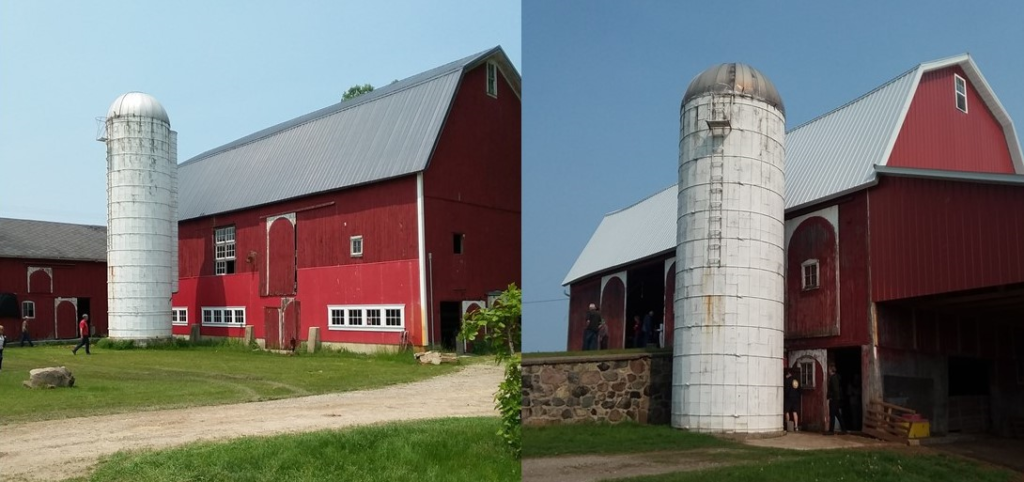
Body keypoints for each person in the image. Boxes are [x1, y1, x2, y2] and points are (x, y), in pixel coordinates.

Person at [826, 363, 844, 434]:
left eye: (829, 369)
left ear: (831, 370)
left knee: (832, 414)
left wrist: (832, 397)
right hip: (836, 399)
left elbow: (835, 390)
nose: (828, 370)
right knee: (837, 415)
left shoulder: (833, 378)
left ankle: (831, 430)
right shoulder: (835, 378)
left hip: (834, 400)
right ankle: (844, 429)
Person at [784, 367, 801, 432]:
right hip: (796, 398)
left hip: (788, 398)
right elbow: (799, 389)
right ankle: (796, 426)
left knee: (787, 411)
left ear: (788, 373)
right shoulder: (796, 380)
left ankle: (788, 426)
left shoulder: (787, 380)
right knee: (795, 412)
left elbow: (786, 389)